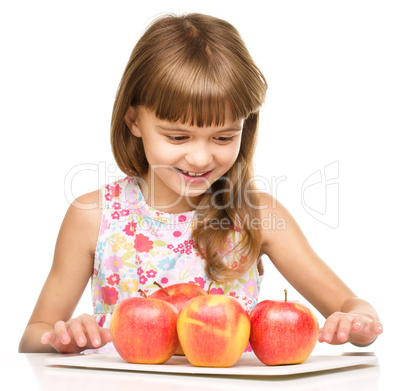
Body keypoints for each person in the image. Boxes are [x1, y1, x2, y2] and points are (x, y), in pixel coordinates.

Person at [19, 13, 382, 354]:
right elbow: (34, 334)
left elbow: (353, 307)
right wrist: (63, 338)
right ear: (133, 120)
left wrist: (357, 323)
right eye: (177, 137)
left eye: (223, 138)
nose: (200, 158)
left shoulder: (255, 214)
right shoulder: (94, 217)